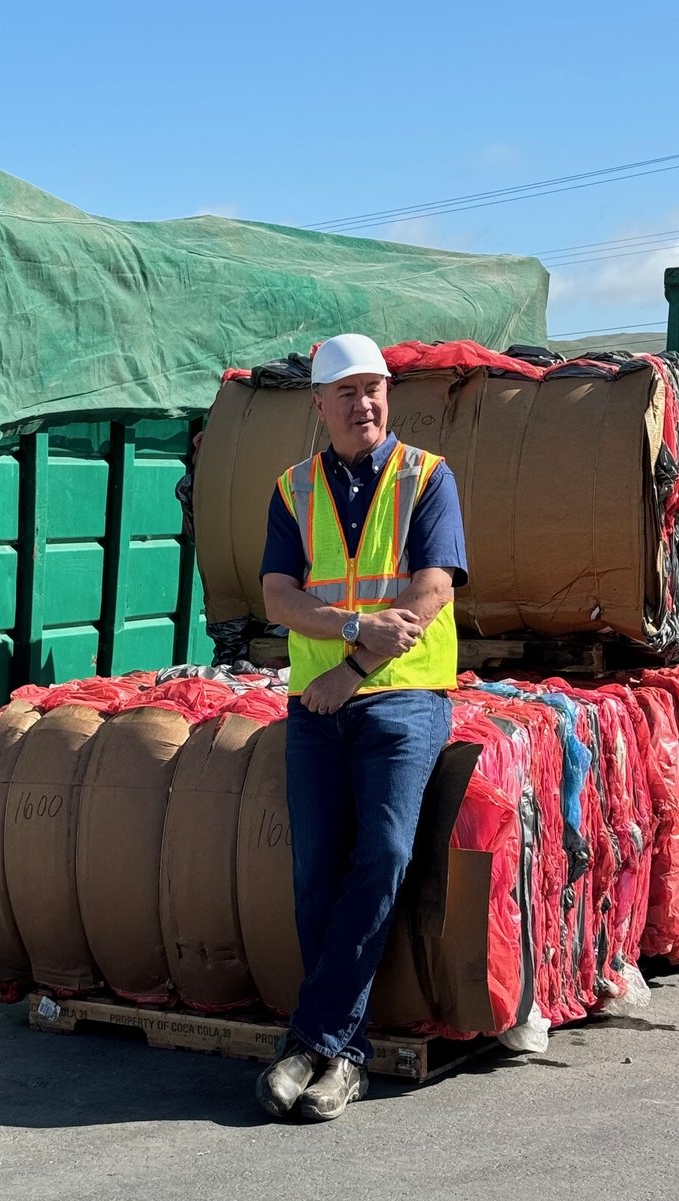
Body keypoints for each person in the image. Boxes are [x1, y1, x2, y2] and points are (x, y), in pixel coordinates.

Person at [255, 333, 468, 1123]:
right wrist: (348, 630)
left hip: (403, 700)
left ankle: (315, 1045)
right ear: (318, 406)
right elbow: (278, 598)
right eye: (345, 392)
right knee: (315, 872)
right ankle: (338, 1058)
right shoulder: (293, 489)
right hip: (316, 702)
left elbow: (431, 590)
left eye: (374, 388)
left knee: (381, 856)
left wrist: (352, 670)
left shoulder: (426, 478)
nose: (363, 403)